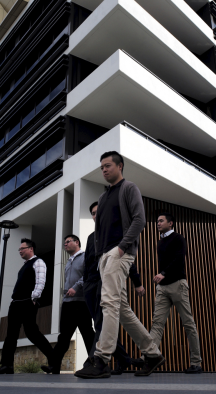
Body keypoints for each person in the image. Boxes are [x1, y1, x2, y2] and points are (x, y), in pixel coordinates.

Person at [75, 151, 165, 379]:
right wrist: (101, 258)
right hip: (105, 258)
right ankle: (152, 354)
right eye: (101, 167)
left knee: (109, 304)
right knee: (122, 310)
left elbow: (139, 219)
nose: (104, 170)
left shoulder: (129, 188)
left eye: (107, 166)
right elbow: (99, 232)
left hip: (119, 253)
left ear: (120, 166)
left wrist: (123, 247)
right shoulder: (104, 198)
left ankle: (102, 359)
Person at [83, 201, 145, 374]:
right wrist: (86, 282)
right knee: (99, 324)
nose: (96, 215)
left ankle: (93, 361)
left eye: (98, 212)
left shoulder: (114, 234)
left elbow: (127, 260)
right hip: (90, 285)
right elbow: (87, 262)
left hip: (106, 282)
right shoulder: (90, 237)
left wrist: (137, 283)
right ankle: (125, 359)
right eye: (93, 213)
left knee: (102, 323)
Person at [148, 212, 203, 374]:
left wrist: (163, 273)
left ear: (170, 223)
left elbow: (179, 257)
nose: (157, 223)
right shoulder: (159, 242)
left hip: (178, 284)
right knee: (157, 324)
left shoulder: (179, 238)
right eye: (157, 221)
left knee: (188, 323)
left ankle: (196, 363)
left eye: (161, 221)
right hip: (162, 288)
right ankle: (150, 359)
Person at [0, 238, 55, 374]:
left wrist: (34, 298)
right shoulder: (24, 265)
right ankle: (7, 365)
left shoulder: (38, 262)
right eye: (19, 249)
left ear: (31, 249)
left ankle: (54, 360)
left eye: (22, 249)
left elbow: (41, 281)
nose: (20, 251)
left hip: (27, 303)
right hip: (16, 304)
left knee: (32, 333)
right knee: (11, 335)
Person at [41, 234, 95, 374]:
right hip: (68, 303)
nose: (65, 244)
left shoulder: (84, 256)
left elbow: (88, 275)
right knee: (63, 337)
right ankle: (54, 366)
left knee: (88, 335)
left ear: (76, 242)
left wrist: (76, 287)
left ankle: (94, 364)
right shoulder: (69, 261)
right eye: (64, 242)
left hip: (81, 303)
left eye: (68, 242)